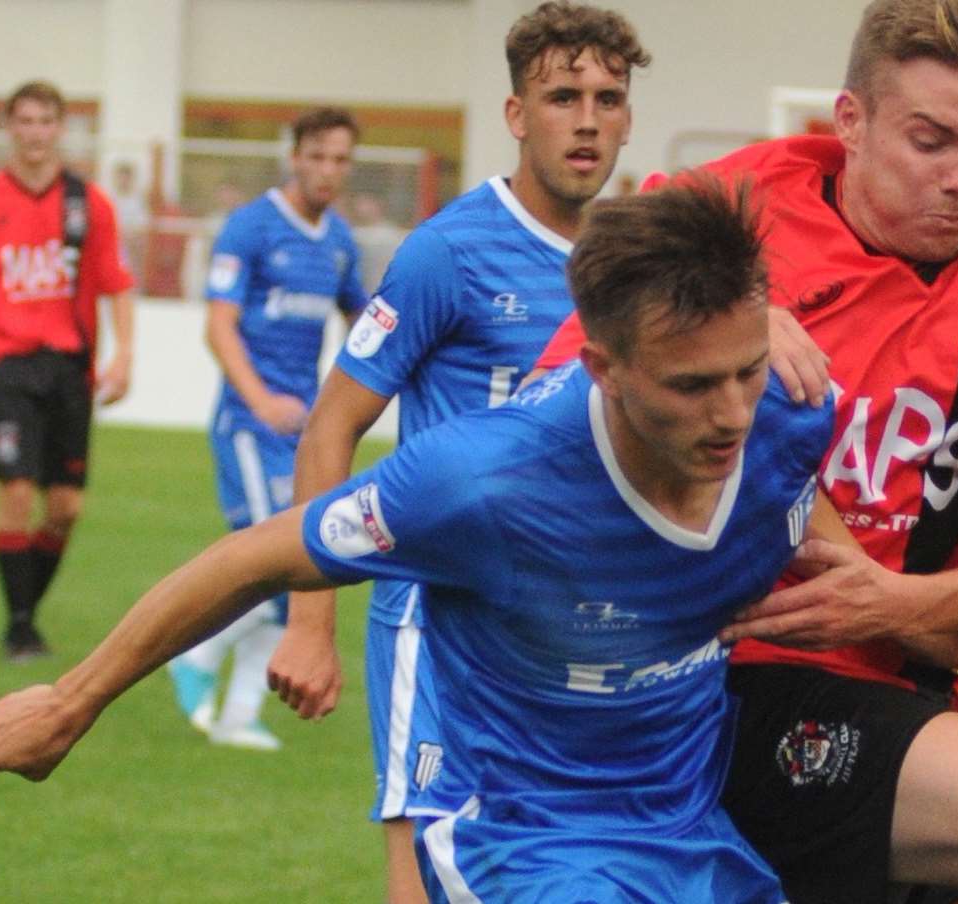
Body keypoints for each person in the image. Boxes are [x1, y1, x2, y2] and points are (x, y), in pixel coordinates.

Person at [0, 178, 847, 904]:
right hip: (522, 845)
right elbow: (254, 555)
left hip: (692, 838)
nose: (733, 412)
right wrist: (73, 701)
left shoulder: (793, 416)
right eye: (693, 387)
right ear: (598, 366)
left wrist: (927, 615)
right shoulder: (476, 483)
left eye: (749, 370)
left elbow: (802, 523)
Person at [537, 2, 958, 902]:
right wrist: (717, 333)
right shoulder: (719, 219)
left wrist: (904, 607)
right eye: (930, 141)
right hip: (707, 677)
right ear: (849, 122)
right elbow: (556, 409)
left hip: (903, 700)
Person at [264, 4, 649, 900]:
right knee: (428, 885)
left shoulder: (629, 264)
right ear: (518, 115)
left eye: (607, 97)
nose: (587, 119)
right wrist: (309, 623)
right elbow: (332, 426)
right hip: (439, 623)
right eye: (562, 96)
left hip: (567, 631)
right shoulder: (448, 253)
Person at [166, 107, 369, 751]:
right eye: (318, 157)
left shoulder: (338, 241)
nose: (328, 171)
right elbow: (218, 325)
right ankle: (194, 656)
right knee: (278, 565)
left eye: (341, 160)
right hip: (250, 426)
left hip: (305, 434)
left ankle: (237, 716)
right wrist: (259, 400)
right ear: (295, 156)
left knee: (297, 569)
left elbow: (364, 325)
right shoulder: (251, 227)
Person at [0, 80, 135, 660]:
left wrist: (123, 354)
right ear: (9, 128)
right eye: (25, 121)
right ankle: (20, 625)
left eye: (46, 121)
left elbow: (117, 285)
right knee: (17, 491)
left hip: (71, 368)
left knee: (65, 508)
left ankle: (25, 611)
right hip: (7, 364)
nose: (35, 132)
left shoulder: (86, 203)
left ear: (59, 128)